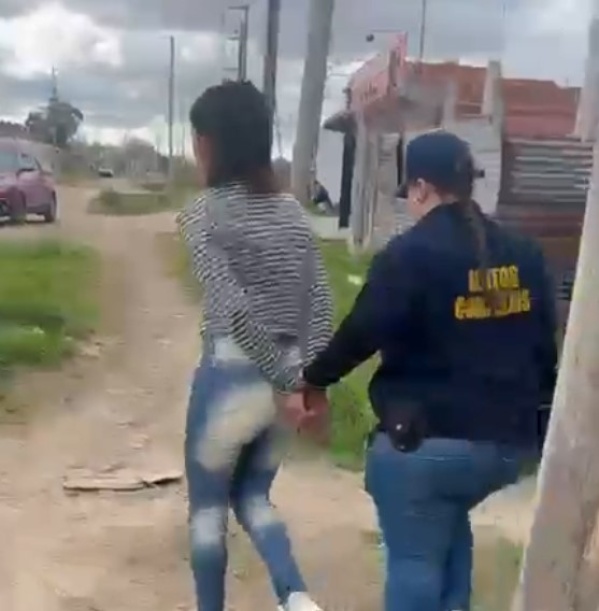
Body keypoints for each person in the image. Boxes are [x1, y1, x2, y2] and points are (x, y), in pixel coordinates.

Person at [286, 130, 558, 611]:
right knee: (446, 529)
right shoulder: (525, 252)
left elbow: (362, 330)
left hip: (428, 445)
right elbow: (545, 346)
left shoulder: (409, 255)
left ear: (420, 188)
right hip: (510, 445)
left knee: (414, 560)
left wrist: (313, 380)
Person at [176, 80, 333, 611]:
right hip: (290, 369)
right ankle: (296, 597)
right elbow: (319, 299)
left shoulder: (201, 214)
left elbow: (233, 310)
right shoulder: (292, 212)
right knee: (253, 495)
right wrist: (309, 382)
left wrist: (286, 383)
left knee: (207, 511)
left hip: (233, 375)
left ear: (208, 143)